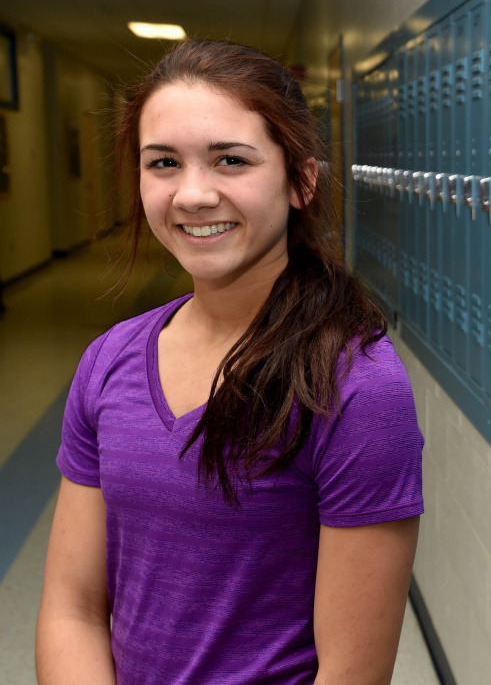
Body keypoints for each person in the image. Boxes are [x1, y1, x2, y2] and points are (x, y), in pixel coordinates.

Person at [35, 40, 424, 685]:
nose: (192, 194)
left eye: (230, 160)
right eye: (163, 162)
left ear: (301, 180)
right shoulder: (109, 362)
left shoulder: (355, 387)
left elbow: (351, 673)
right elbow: (72, 609)